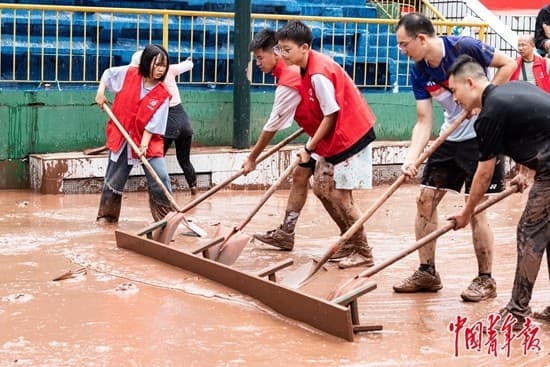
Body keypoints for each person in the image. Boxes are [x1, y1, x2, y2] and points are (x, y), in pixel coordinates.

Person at [393, 13, 516, 301]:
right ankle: (427, 272)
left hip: (482, 136)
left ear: (421, 38)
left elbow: (508, 64)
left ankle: (485, 280)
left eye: (403, 44)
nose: (402, 51)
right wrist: (413, 158)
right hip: (450, 136)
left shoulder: (464, 46)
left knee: (476, 208)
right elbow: (424, 121)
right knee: (424, 200)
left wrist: (483, 103)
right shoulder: (419, 70)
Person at [448, 55, 550, 329]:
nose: (455, 99)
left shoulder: (490, 113)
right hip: (546, 165)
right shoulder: (513, 90)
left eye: (455, 91)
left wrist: (466, 213)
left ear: (470, 83)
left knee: (529, 233)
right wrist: (525, 172)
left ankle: (516, 312)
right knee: (545, 234)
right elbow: (537, 127)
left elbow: (483, 174)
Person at [266, 20, 377, 269]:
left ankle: (364, 252)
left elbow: (331, 115)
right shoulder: (305, 68)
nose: (282, 55)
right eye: (280, 49)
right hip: (333, 137)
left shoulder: (317, 74)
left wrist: (308, 148)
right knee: (322, 190)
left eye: (287, 49)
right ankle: (348, 242)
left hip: (351, 134)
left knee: (340, 196)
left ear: (304, 47)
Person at [240, 29, 309, 253]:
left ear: (276, 53)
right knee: (300, 174)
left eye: (260, 58)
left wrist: (252, 158)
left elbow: (273, 124)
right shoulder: (287, 74)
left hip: (339, 136)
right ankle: (286, 234)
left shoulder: (289, 78)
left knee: (331, 192)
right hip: (319, 134)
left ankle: (356, 244)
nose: (258, 63)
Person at [95, 44, 173, 223]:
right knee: (114, 179)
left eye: (164, 66)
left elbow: (154, 125)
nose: (161, 70)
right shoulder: (130, 74)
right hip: (123, 136)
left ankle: (165, 219)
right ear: (146, 63)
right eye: (157, 64)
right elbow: (108, 74)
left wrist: (143, 145)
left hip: (149, 141)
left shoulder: (162, 94)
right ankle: (107, 218)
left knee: (160, 177)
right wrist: (100, 92)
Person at [132, 50, 198, 195]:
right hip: (184, 121)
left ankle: (158, 191)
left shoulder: (148, 79)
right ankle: (194, 189)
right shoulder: (171, 69)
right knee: (184, 160)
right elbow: (188, 65)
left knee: (156, 159)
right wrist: (188, 61)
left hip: (168, 122)